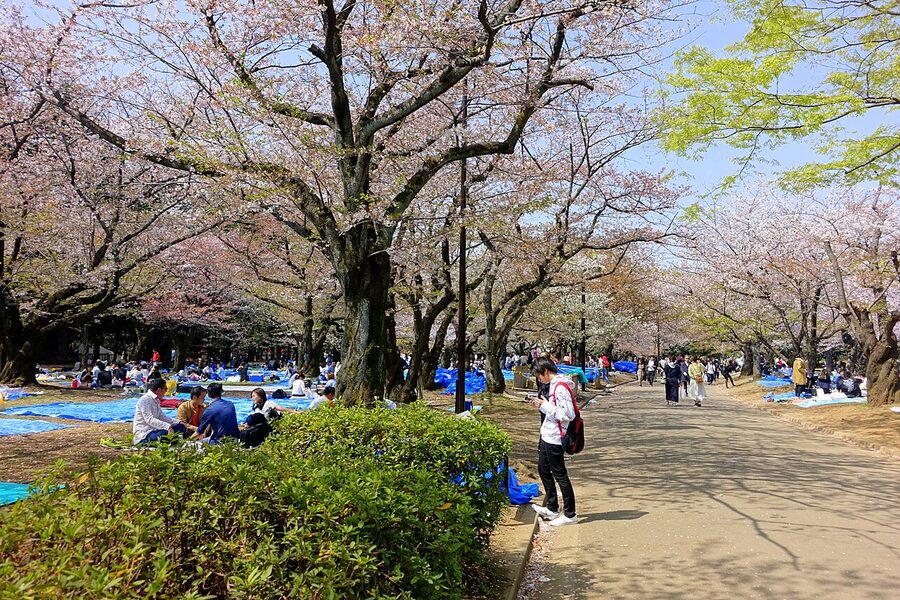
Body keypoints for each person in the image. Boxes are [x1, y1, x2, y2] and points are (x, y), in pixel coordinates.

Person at [528, 357, 577, 527]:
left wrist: (545, 406)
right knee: (543, 469)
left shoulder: (560, 387)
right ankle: (552, 507)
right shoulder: (555, 386)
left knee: (560, 474)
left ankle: (570, 514)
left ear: (546, 372)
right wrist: (542, 404)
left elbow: (568, 414)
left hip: (555, 437)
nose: (539, 380)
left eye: (539, 376)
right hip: (547, 434)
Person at [133, 378, 187, 445]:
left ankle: (170, 439)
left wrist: (178, 422)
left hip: (157, 429)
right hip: (146, 433)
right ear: (159, 390)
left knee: (181, 426)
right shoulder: (145, 400)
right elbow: (149, 419)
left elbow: (162, 417)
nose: (166, 392)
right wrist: (167, 427)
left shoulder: (157, 400)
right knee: (164, 434)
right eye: (165, 389)